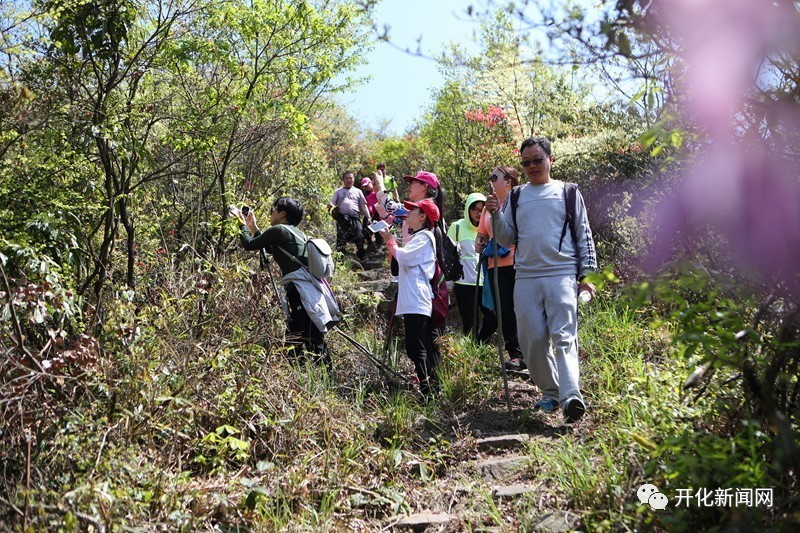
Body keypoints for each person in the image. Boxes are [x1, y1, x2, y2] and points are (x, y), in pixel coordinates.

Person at [485, 137, 597, 423]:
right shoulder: (518, 196)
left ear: (550, 159)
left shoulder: (569, 192)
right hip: (526, 276)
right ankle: (550, 391)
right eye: (526, 162)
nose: (532, 166)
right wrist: (496, 213)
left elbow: (583, 234)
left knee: (563, 337)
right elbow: (507, 237)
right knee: (532, 339)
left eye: (537, 160)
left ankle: (572, 396)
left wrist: (587, 276)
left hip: (561, 274)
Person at [235, 197, 338, 368]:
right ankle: (301, 376)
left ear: (282, 213)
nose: (271, 213)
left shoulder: (279, 230)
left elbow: (249, 244)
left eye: (273, 210)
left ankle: (326, 378)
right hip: (306, 288)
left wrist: (241, 224)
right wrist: (254, 228)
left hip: (299, 290)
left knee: (311, 335)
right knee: (293, 337)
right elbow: (268, 247)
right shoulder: (297, 233)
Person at [378, 198, 440, 395]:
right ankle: (431, 387)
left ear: (423, 217)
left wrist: (390, 240)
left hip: (417, 300)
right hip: (414, 299)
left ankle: (428, 391)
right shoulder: (420, 238)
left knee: (416, 348)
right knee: (420, 347)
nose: (408, 212)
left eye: (413, 210)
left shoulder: (424, 238)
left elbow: (403, 257)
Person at [474, 166, 524, 370]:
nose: (491, 180)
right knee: (504, 311)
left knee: (520, 309)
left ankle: (530, 352)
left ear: (509, 181)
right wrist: (479, 242)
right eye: (490, 176)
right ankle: (516, 354)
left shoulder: (518, 203)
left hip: (517, 263)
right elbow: (482, 233)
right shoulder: (488, 207)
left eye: (495, 177)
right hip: (495, 265)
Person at [448, 193, 497, 339]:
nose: (477, 213)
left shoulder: (488, 227)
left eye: (481, 209)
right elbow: (448, 255)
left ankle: (480, 345)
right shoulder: (457, 227)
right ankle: (471, 355)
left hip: (484, 282)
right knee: (470, 322)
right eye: (474, 209)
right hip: (464, 283)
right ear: (468, 209)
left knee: (493, 319)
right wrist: (448, 283)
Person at [329, 170, 371, 260]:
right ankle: (340, 259)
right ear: (343, 180)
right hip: (342, 218)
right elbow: (332, 203)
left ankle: (361, 256)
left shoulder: (358, 191)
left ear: (354, 179)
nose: (349, 180)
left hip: (355, 217)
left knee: (360, 236)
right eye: (346, 178)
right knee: (341, 239)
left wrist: (369, 217)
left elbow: (363, 206)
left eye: (350, 178)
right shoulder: (338, 191)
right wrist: (330, 206)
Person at [362, 176, 380, 252]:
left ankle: (379, 246)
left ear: (371, 183)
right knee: (365, 231)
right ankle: (371, 245)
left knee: (377, 231)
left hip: (377, 214)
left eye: (367, 185)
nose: (366, 187)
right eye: (365, 186)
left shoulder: (376, 192)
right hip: (369, 215)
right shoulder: (365, 194)